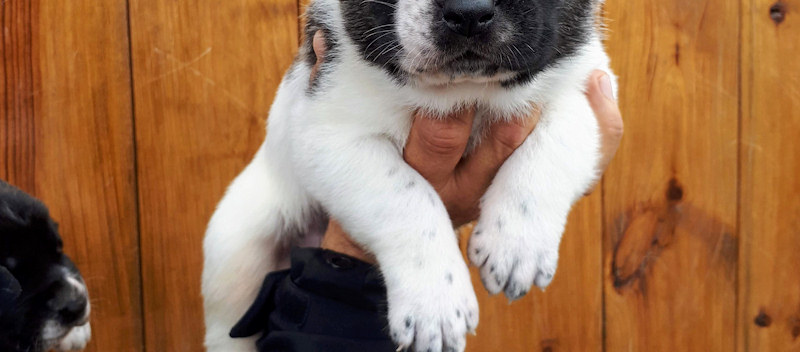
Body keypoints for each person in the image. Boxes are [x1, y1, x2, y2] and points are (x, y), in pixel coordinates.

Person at [230, 32, 623, 351]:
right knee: (233, 264)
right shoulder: (351, 40)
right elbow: (328, 142)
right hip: (281, 218)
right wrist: (416, 250)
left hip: (334, 309)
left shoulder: (564, 38)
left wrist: (532, 202)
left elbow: (583, 107)